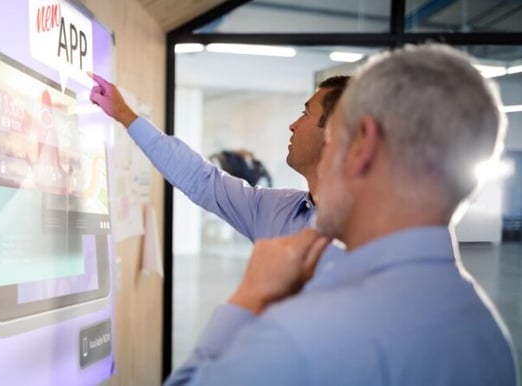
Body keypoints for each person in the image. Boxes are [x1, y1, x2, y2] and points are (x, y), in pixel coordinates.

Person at [162, 44, 520, 385]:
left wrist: (249, 297)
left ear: (362, 146)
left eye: (333, 139)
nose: (324, 158)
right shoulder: (491, 339)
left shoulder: (298, 336)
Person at [89, 72, 349, 243]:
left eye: (305, 114)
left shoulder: (373, 234)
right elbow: (200, 179)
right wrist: (125, 115)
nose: (293, 125)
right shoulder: (274, 211)